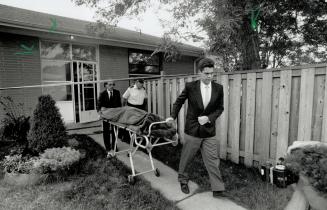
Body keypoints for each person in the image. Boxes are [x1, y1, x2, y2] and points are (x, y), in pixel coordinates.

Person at [166, 57, 226, 198]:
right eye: (206, 73)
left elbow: (220, 108)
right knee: (187, 157)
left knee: (212, 159)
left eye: (211, 73)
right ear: (199, 73)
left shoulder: (219, 88)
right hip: (192, 130)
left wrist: (209, 118)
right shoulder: (190, 87)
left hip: (209, 130)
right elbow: (178, 102)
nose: (210, 76)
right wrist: (172, 116)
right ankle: (183, 180)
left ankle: (218, 188)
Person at [97, 80, 122, 152]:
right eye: (110, 84)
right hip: (106, 114)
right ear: (106, 85)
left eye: (113, 84)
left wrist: (119, 113)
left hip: (115, 114)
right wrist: (99, 112)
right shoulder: (102, 93)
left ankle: (114, 146)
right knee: (106, 131)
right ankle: (107, 146)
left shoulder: (117, 92)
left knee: (115, 131)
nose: (112, 86)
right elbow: (99, 104)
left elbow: (119, 104)